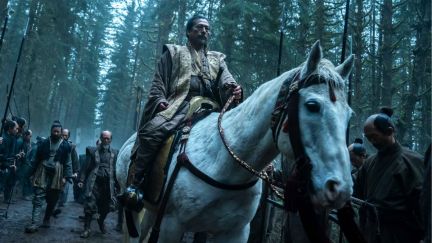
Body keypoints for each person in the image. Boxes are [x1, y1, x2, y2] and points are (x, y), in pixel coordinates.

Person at [129, 14, 242, 201]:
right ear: (188, 31)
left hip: (211, 108)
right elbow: (158, 84)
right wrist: (159, 101)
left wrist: (234, 88)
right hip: (179, 105)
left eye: (207, 28)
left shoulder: (217, 59)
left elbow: (226, 80)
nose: (204, 31)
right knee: (151, 133)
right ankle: (136, 183)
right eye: (199, 27)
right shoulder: (173, 53)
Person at [353, 107, 425, 243]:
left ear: (389, 132)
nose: (372, 142)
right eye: (368, 138)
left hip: (402, 235)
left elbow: (423, 204)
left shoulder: (413, 161)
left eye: (374, 137)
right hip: (371, 233)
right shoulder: (369, 163)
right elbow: (358, 193)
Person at [25, 120, 73, 233]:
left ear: (61, 132)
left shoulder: (66, 146)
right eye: (54, 131)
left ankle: (46, 219)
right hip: (42, 171)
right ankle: (34, 224)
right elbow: (36, 159)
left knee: (53, 198)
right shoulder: (44, 143)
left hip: (58, 173)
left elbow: (68, 163)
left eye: (58, 132)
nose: (56, 133)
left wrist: (66, 177)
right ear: (51, 131)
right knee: (38, 197)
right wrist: (30, 173)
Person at [78, 131, 119, 238]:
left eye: (108, 138)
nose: (105, 140)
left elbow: (116, 171)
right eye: (104, 138)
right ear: (100, 138)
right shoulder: (93, 151)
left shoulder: (115, 153)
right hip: (94, 183)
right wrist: (81, 180)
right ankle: (87, 228)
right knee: (89, 205)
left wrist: (118, 186)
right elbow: (85, 167)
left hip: (107, 185)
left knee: (105, 207)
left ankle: (101, 221)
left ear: (111, 140)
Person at [0, 120, 24, 203]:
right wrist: (7, 164)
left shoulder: (13, 138)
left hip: (11, 165)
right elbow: (3, 155)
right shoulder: (3, 138)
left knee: (10, 183)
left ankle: (6, 199)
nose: (17, 130)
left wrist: (16, 156)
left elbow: (11, 153)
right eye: (15, 128)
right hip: (4, 165)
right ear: (10, 128)